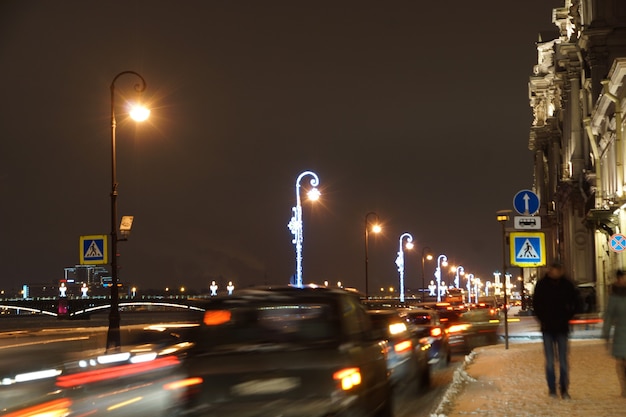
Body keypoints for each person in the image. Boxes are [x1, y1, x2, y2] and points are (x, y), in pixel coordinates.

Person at [532, 262, 580, 399]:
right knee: (550, 361)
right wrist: (543, 319)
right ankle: (552, 389)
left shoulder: (567, 285)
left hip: (562, 328)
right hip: (547, 328)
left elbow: (576, 302)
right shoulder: (542, 285)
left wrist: (568, 317)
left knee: (563, 361)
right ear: (550, 271)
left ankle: (564, 389)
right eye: (555, 270)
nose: (557, 272)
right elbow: (536, 305)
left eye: (559, 270)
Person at [602, 269, 626, 398]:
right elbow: (609, 315)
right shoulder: (614, 296)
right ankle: (624, 388)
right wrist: (606, 333)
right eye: (623, 278)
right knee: (621, 363)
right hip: (620, 333)